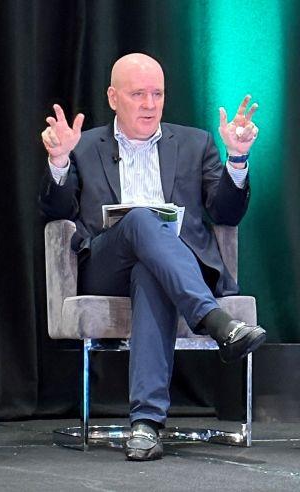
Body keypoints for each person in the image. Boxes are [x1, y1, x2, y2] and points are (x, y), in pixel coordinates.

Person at [38, 53, 266, 461]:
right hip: (106, 266)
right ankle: (216, 322)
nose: (149, 104)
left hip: (174, 268)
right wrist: (59, 162)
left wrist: (237, 159)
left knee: (150, 267)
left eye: (157, 94)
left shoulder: (196, 143)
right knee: (142, 218)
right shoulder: (85, 145)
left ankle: (145, 424)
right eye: (138, 94)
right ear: (112, 97)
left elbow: (227, 213)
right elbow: (56, 213)